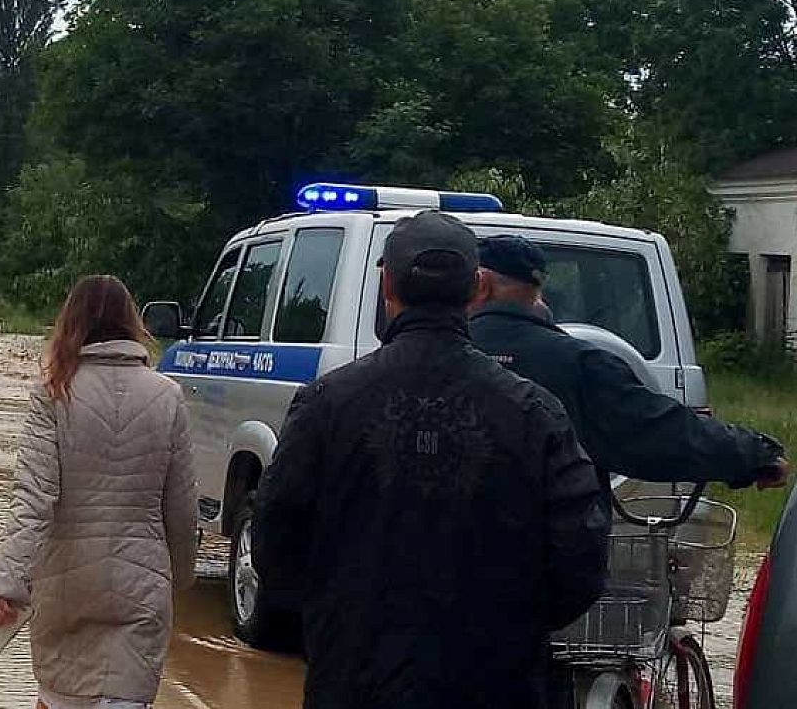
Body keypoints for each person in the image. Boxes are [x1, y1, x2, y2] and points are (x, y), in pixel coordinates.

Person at [253, 211, 610, 709]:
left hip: (355, 678)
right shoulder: (534, 412)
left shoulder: (328, 403)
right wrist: (512, 626)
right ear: (476, 290)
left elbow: (275, 538)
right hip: (495, 681)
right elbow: (582, 556)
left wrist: (334, 618)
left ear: (386, 285)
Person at [0, 275, 199, 709]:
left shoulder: (53, 395)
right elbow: (182, 508)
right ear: (131, 323)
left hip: (67, 592)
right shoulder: (168, 397)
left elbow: (33, 499)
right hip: (142, 593)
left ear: (71, 323)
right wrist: (178, 577)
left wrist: (7, 581)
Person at [469, 235, 789, 490]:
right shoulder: (581, 362)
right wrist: (755, 455)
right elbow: (664, 434)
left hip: (435, 560)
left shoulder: (434, 351)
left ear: (480, 284)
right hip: (547, 557)